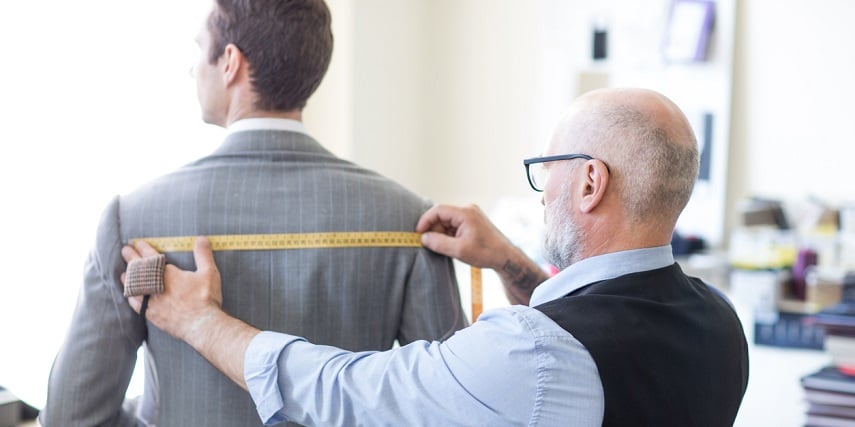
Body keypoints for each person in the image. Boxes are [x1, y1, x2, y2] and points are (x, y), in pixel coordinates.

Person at [121, 87, 749, 426]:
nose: (544, 187)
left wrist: (202, 321)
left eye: (545, 167)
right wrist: (508, 261)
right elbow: (587, 343)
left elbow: (344, 391)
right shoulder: (721, 325)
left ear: (590, 183)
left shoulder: (529, 353)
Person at [41, 1, 466, 425]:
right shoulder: (409, 221)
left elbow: (71, 416)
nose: (193, 70)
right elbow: (454, 406)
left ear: (230, 62)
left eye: (198, 48)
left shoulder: (131, 221)